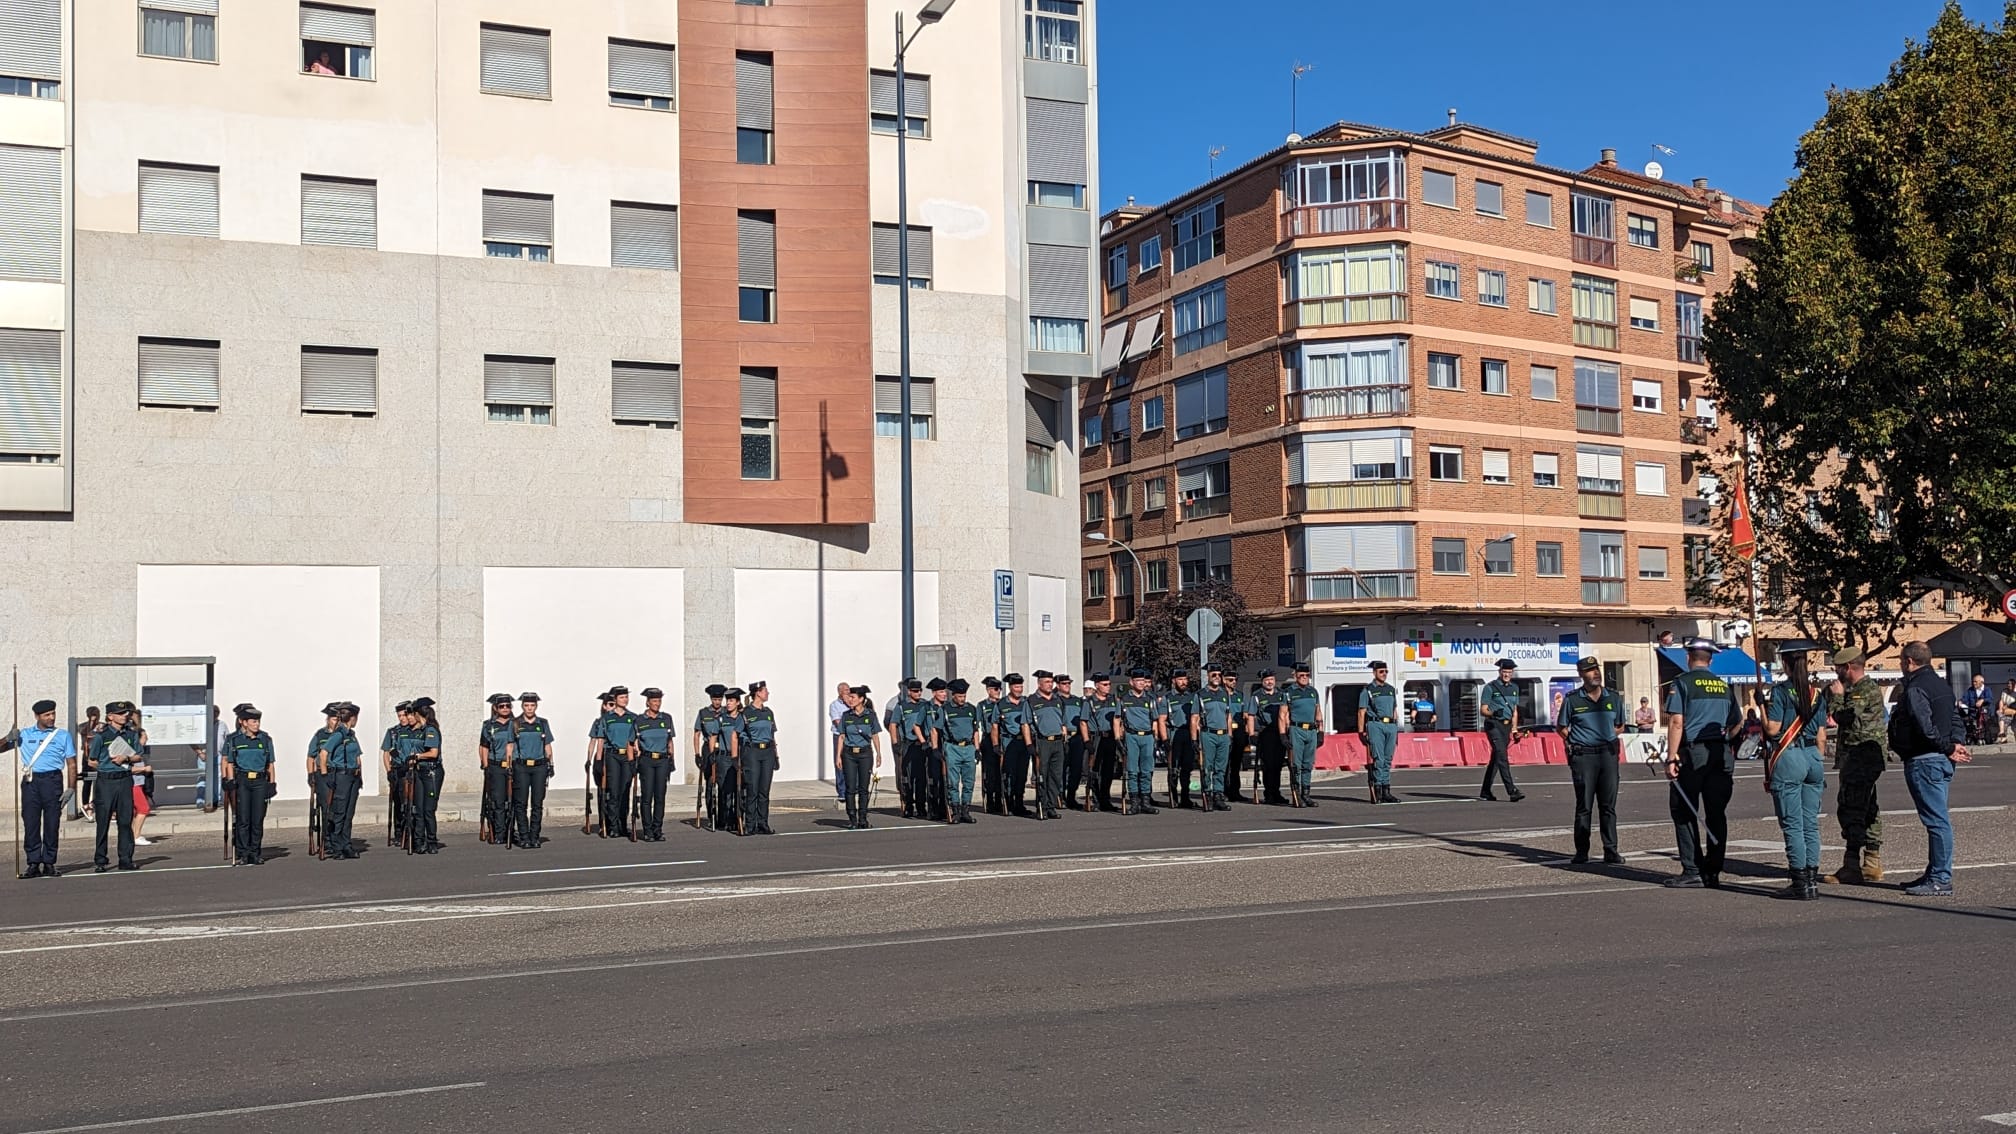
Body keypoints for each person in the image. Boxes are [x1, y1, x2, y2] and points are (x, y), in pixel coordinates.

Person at [1889, 640, 1970, 896]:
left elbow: (1924, 726)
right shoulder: (1940, 685)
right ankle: (1934, 870)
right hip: (1940, 759)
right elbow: (1955, 718)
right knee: (1937, 819)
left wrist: (1947, 747)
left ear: (1910, 661)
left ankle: (1940, 877)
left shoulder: (1916, 688)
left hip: (1926, 759)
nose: (1902, 665)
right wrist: (1955, 743)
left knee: (1937, 821)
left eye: (1902, 661)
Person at [1661, 638, 1743, 888]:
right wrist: (1724, 739)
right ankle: (1714, 870)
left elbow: (1677, 721)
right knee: (1717, 813)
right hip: (1719, 754)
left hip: (1693, 753)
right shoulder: (1723, 686)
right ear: (1710, 659)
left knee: (1684, 810)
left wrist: (1672, 756)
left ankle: (1693, 869)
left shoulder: (1682, 683)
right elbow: (1737, 723)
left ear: (1688, 657)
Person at [1763, 640, 1831, 900]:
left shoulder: (1781, 692)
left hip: (1790, 756)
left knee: (1792, 824)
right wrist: (1815, 758)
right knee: (1809, 823)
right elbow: (1822, 736)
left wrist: (1762, 712)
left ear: (1785, 663)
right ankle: (1812, 878)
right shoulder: (1816, 693)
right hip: (1813, 756)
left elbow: (1772, 729)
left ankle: (1799, 881)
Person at [1822, 649, 1889, 884]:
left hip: (1861, 756)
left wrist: (1838, 696)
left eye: (1839, 668)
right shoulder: (1860, 689)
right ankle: (1871, 861)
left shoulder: (1863, 690)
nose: (1837, 673)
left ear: (1848, 667)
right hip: (1862, 756)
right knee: (1868, 806)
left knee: (1852, 806)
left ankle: (1852, 864)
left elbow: (1846, 716)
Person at [1557, 656, 1624, 865]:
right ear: (1581, 675)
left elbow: (1620, 725)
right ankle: (1582, 851)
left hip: (1607, 755)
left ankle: (1611, 850)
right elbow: (1561, 727)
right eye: (1589, 670)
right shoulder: (1573, 699)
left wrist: (1607, 736)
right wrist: (1577, 740)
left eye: (1596, 669)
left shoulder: (1612, 697)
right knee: (1584, 805)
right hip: (1584, 756)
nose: (1595, 673)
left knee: (1608, 806)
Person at [4, 697, 77, 878]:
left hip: (52, 780)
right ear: (37, 716)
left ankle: (49, 862)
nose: (51, 718)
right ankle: (33, 863)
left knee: (52, 823)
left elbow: (72, 764)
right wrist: (8, 737)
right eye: (46, 715)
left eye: (53, 713)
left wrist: (71, 788)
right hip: (31, 781)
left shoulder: (62, 735)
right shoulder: (26, 734)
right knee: (31, 823)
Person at [89, 701, 144, 871]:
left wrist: (125, 759)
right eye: (120, 713)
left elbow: (138, 755)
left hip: (124, 779)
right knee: (103, 821)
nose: (125, 716)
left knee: (125, 820)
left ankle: (126, 858)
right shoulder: (101, 736)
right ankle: (100, 860)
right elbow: (92, 760)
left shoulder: (131, 734)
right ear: (110, 716)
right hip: (106, 781)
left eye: (126, 713)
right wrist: (106, 768)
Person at [222, 704, 275, 866]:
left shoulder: (265, 739)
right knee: (243, 819)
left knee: (257, 819)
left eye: (258, 721)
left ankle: (255, 852)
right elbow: (229, 762)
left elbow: (270, 764)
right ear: (243, 722)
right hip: (242, 781)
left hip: (259, 781)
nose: (256, 724)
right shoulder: (235, 740)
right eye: (253, 721)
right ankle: (243, 853)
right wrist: (229, 780)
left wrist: (272, 783)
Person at [318, 702, 364, 860]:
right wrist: (325, 775)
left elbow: (358, 756)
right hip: (341, 775)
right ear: (352, 718)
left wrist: (360, 775)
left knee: (349, 813)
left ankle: (346, 844)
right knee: (339, 812)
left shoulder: (351, 735)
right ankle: (337, 846)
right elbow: (323, 753)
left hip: (352, 776)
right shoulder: (339, 734)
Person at [1114, 668, 1163, 815]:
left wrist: (1155, 738)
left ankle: (1145, 801)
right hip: (1132, 736)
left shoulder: (1150, 699)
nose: (1141, 683)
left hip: (1147, 736)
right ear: (1131, 682)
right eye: (1138, 681)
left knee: (1147, 770)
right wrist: (1118, 739)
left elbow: (1155, 720)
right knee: (1133, 771)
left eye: (1143, 681)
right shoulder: (1124, 699)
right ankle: (1134, 802)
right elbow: (1117, 720)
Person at [1477, 658, 1526, 803]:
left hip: (1506, 726)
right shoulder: (1490, 687)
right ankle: (1512, 791)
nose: (1507, 674)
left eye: (1509, 672)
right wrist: (1493, 713)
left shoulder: (1515, 688)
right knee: (1502, 756)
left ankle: (1485, 791)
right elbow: (1483, 710)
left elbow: (1515, 711)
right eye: (1504, 672)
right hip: (1493, 725)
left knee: (1497, 759)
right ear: (1499, 672)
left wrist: (1515, 729)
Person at [510, 693, 554, 848]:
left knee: (537, 803)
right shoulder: (515, 723)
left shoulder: (542, 723)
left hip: (539, 766)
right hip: (521, 766)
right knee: (520, 803)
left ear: (536, 706)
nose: (529, 708)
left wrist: (551, 764)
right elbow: (511, 745)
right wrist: (510, 764)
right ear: (522, 706)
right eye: (527, 705)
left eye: (532, 705)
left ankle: (534, 836)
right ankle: (523, 836)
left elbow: (547, 745)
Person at [597, 687, 640, 839]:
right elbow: (601, 740)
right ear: (615, 700)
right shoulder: (607, 718)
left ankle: (623, 824)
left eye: (626, 697)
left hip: (627, 756)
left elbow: (636, 739)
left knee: (625, 791)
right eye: (622, 697)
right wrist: (598, 760)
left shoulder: (633, 717)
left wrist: (637, 754)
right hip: (613, 756)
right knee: (614, 792)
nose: (625, 700)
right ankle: (613, 826)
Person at [635, 688, 676, 841]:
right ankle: (647, 830)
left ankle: (657, 829)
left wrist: (672, 760)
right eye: (654, 701)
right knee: (647, 796)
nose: (657, 704)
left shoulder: (666, 718)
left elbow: (670, 741)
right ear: (647, 702)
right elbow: (634, 742)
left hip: (663, 760)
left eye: (659, 701)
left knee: (660, 796)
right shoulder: (639, 720)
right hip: (647, 760)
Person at [837, 686, 882, 829]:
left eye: (853, 697)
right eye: (849, 697)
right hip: (849, 754)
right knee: (850, 787)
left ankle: (863, 818)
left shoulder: (870, 715)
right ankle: (852, 818)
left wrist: (878, 753)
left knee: (864, 787)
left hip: (865, 754)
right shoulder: (846, 716)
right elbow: (842, 736)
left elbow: (875, 735)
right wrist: (838, 756)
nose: (850, 700)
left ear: (861, 699)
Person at [938, 679, 983, 823]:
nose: (963, 699)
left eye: (964, 696)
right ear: (954, 696)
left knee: (969, 782)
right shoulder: (945, 710)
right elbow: (935, 730)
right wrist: (935, 748)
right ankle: (955, 810)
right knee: (953, 782)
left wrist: (977, 749)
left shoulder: (971, 709)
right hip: (952, 747)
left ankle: (965, 811)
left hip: (969, 747)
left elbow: (975, 730)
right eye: (960, 696)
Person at [738, 681, 779, 835]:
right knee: (752, 789)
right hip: (752, 752)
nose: (768, 693)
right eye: (765, 691)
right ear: (758, 693)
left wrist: (775, 755)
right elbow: (737, 735)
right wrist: (738, 758)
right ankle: (750, 824)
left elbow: (772, 734)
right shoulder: (746, 713)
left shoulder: (769, 712)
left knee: (764, 790)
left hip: (767, 752)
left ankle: (763, 822)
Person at [1026, 671, 1068, 820]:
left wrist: (1064, 736)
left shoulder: (1057, 700)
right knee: (1042, 776)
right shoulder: (1031, 701)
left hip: (1057, 741)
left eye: (1051, 682)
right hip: (1042, 741)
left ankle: (1051, 806)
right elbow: (1026, 724)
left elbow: (1062, 721)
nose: (1050, 685)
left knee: (1055, 776)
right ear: (1039, 683)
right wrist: (1029, 744)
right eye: (1047, 682)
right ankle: (1041, 806)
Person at [1357, 662, 1401, 804]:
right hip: (1375, 724)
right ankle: (1377, 790)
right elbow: (1361, 712)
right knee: (1379, 759)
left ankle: (1386, 790)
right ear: (1374, 672)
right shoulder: (1368, 690)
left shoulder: (1390, 689)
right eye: (1381, 671)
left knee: (1388, 760)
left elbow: (1394, 709)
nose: (1384, 674)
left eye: (1386, 671)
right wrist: (1361, 731)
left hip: (1390, 725)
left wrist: (1396, 727)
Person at [1197, 665, 1238, 811]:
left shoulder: (1224, 694)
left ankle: (1218, 795)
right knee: (1208, 767)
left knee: (1221, 768)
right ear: (1208, 676)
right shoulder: (1201, 694)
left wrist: (1230, 735)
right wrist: (1195, 739)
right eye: (1213, 674)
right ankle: (1207, 795)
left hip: (1223, 735)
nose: (1216, 677)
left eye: (1219, 675)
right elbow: (1195, 719)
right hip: (1208, 734)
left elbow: (1228, 716)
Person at [406, 698, 444, 853]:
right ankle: (419, 841)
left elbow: (433, 753)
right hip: (419, 771)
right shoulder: (421, 730)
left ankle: (432, 841)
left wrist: (418, 756)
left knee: (428, 809)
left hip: (431, 772)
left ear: (417, 714)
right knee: (418, 808)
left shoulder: (430, 730)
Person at [478, 693, 516, 845]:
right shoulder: (489, 725)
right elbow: (483, 746)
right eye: (502, 706)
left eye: (508, 706)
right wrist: (485, 765)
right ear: (496, 708)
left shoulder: (516, 723)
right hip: (496, 766)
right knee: (498, 801)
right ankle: (499, 832)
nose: (505, 708)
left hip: (514, 766)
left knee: (513, 801)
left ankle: (511, 832)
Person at [1284, 664, 1323, 807]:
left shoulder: (1313, 692)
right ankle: (1297, 793)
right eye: (1301, 675)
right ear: (1295, 676)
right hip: (1296, 729)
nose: (1305, 678)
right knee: (1296, 765)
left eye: (1307, 675)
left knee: (1308, 764)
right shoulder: (1289, 692)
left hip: (1311, 730)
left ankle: (1306, 794)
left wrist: (1321, 731)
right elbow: (1283, 715)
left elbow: (1318, 711)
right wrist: (1283, 734)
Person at [1248, 670, 1289, 805]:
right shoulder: (1257, 696)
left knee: (1278, 765)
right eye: (1266, 680)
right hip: (1266, 733)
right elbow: (1251, 716)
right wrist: (1252, 733)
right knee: (1268, 765)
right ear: (1262, 682)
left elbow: (1286, 714)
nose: (1269, 682)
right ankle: (1269, 793)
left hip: (1280, 732)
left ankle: (1276, 792)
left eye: (1271, 679)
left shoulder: (1281, 695)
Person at [693, 685, 730, 831]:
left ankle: (723, 817)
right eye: (715, 699)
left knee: (723, 783)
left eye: (719, 699)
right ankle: (711, 815)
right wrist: (697, 754)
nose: (717, 702)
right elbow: (696, 734)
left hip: (722, 748)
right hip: (708, 748)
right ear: (711, 699)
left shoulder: (727, 712)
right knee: (710, 783)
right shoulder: (703, 713)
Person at [995, 675, 1032, 817]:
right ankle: (1008, 802)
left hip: (1024, 742)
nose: (1019, 689)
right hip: (1009, 741)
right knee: (1009, 775)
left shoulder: (1026, 702)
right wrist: (996, 745)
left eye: (1021, 687)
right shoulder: (1001, 704)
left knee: (1022, 774)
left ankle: (1019, 803)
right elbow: (995, 725)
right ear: (1010, 687)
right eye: (1016, 687)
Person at [897, 679, 933, 820]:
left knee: (922, 778)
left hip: (922, 744)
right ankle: (908, 806)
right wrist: (896, 743)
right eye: (915, 691)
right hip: (908, 744)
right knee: (907, 778)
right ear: (909, 692)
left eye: (920, 691)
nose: (918, 693)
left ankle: (920, 806)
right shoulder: (902, 706)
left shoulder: (925, 705)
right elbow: (893, 724)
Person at [1084, 673, 1118, 812]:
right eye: (1105, 685)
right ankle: (1096, 799)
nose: (1108, 687)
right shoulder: (1090, 702)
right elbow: (1083, 722)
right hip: (1096, 738)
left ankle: (1106, 798)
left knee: (1108, 770)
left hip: (1110, 737)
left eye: (1109, 684)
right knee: (1094, 770)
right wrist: (1087, 740)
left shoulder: (1113, 700)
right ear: (1097, 686)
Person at [381, 700, 413, 846]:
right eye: (399, 715)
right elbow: (386, 753)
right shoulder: (393, 732)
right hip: (397, 771)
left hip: (409, 771)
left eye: (404, 715)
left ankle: (410, 832)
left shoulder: (415, 730)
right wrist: (388, 771)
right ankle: (399, 833)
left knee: (409, 803)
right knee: (398, 803)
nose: (401, 718)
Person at [718, 688, 747, 832]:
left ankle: (739, 817)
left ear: (737, 702)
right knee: (727, 789)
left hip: (740, 757)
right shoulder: (722, 718)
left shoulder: (743, 718)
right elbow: (713, 737)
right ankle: (727, 818)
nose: (728, 703)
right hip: (725, 757)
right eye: (727, 700)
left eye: (731, 701)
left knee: (740, 789)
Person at [1058, 674, 1088, 808]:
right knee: (1062, 769)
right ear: (1058, 685)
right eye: (1064, 683)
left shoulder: (1077, 700)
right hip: (1063, 737)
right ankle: (1060, 796)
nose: (1067, 686)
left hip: (1077, 736)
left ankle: (1071, 797)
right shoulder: (1055, 700)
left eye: (1069, 683)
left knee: (1076, 769)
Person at [977, 677, 1006, 815]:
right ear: (989, 690)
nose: (998, 691)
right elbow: (976, 726)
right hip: (988, 740)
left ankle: (1001, 800)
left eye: (999, 689)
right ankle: (990, 801)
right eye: (995, 689)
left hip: (1002, 738)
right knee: (990, 773)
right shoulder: (982, 705)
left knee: (1001, 772)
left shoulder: (1003, 704)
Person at [73, 705, 101, 819]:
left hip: (97, 757)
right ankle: (85, 804)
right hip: (86, 757)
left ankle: (94, 803)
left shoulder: (102, 726)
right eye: (91, 715)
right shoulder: (83, 726)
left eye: (95, 715)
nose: (94, 718)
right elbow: (83, 732)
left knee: (98, 782)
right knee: (87, 782)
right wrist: (90, 724)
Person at [829, 682, 851, 811]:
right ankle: (842, 792)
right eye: (845, 690)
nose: (848, 692)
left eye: (849, 690)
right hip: (840, 736)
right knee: (840, 763)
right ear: (839, 692)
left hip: (853, 736)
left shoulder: (853, 703)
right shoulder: (834, 705)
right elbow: (837, 722)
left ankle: (854, 789)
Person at [1960, 672, 1996, 745]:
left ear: (1981, 682)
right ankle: (1970, 737)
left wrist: (1982, 700)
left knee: (1983, 717)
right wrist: (1960, 702)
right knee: (1965, 718)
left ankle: (1983, 736)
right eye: (1973, 681)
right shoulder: (1970, 690)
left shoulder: (1987, 689)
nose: (1974, 683)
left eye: (1976, 682)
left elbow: (1990, 699)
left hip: (1985, 711)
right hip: (1973, 711)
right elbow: (1965, 699)